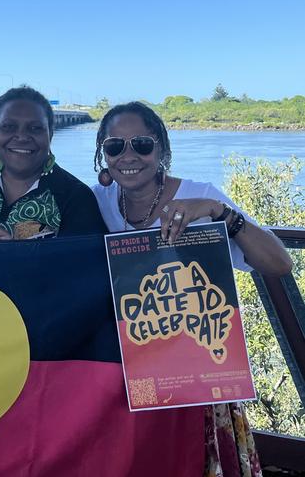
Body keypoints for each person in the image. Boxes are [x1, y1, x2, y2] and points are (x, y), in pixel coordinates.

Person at [91, 101, 293, 477]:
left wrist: (220, 214)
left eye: (142, 144)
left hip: (197, 379)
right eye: (115, 146)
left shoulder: (202, 195)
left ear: (162, 151)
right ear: (103, 154)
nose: (128, 155)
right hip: (127, 379)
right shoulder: (94, 201)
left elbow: (279, 263)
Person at [0, 85, 107, 241]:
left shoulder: (75, 197)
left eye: (35, 128)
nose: (22, 136)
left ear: (50, 135)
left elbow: (83, 264)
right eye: (9, 127)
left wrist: (15, 251)